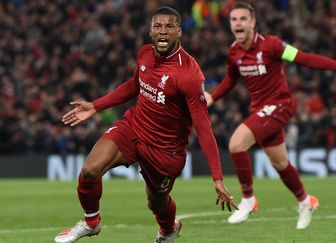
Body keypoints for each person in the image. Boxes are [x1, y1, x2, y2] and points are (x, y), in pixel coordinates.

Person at [54, 6, 237, 243]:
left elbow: (203, 127)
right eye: (157, 26)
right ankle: (91, 223)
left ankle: (169, 229)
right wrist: (96, 106)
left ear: (179, 32)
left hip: (165, 149)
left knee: (156, 202)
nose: (163, 31)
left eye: (169, 26)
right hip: (134, 127)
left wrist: (217, 178)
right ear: (151, 30)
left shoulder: (188, 74)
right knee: (89, 170)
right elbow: (134, 85)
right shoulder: (145, 53)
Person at [204, 2, 336, 229]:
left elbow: (304, 58)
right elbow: (231, 79)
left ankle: (248, 200)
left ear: (253, 23)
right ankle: (306, 201)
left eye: (243, 19)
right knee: (280, 162)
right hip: (260, 110)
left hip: (280, 105)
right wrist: (213, 98)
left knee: (236, 144)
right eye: (234, 19)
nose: (238, 23)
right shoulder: (234, 51)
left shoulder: (272, 45)